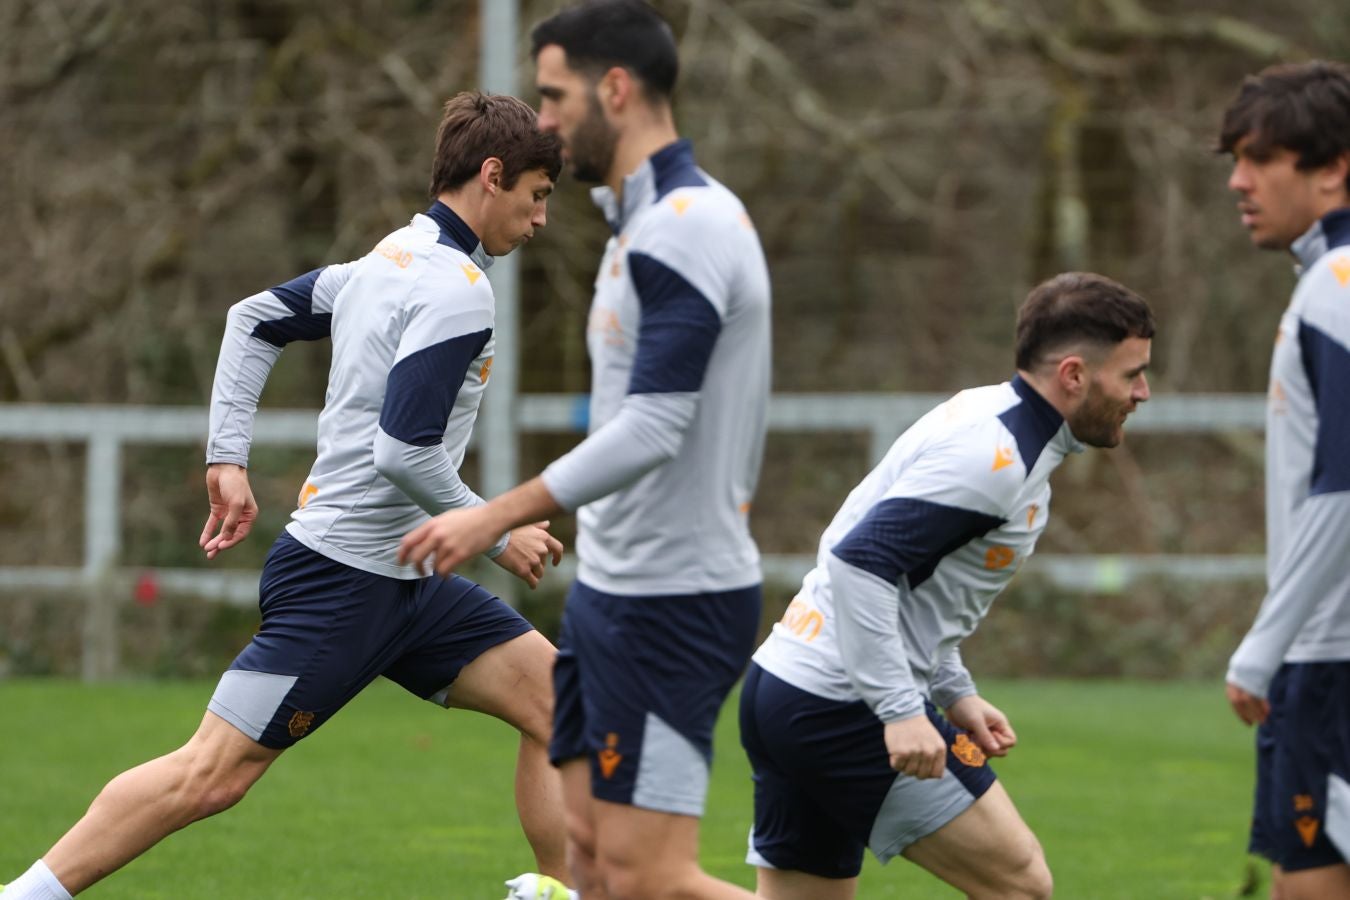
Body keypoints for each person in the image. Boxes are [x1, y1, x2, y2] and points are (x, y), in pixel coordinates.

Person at [1, 92, 575, 900]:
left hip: (410, 578)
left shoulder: (382, 262)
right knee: (209, 776)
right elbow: (403, 450)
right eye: (538, 194)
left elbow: (253, 318)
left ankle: (564, 891)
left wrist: (226, 456)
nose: (542, 217)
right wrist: (496, 528)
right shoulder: (457, 289)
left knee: (565, 706)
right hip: (341, 582)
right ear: (492, 176)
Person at [400, 2, 772, 897]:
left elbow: (655, 426)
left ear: (616, 88)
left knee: (648, 878)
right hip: (614, 592)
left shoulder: (688, 224)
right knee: (590, 871)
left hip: (679, 601)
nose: (547, 122)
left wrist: (491, 513)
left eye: (556, 97)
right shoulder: (633, 225)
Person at [738, 272, 1153, 899]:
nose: (1143, 393)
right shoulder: (996, 460)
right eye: (1131, 375)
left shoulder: (990, 419)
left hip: (786, 686)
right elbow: (859, 566)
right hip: (841, 705)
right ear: (1073, 374)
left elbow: (913, 583)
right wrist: (901, 711)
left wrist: (952, 690)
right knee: (1020, 884)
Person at [1219, 60, 1350, 899]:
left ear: (1333, 167)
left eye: (1261, 159)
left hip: (1330, 650)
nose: (1238, 182)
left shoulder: (1334, 289)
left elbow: (1343, 487)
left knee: (1308, 878)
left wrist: (1266, 645)